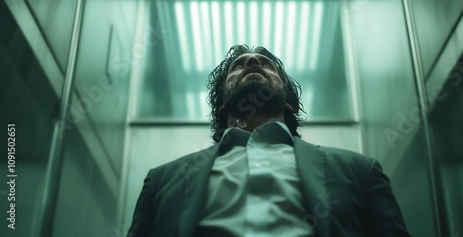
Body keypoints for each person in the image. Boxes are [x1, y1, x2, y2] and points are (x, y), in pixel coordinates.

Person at [128, 45, 411, 237]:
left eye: (266, 64)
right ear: (222, 107)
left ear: (287, 104)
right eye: (238, 66)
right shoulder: (163, 181)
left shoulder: (359, 172)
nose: (252, 62)